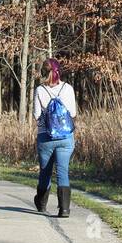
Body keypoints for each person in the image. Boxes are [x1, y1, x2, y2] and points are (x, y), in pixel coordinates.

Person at [33, 57, 77, 218]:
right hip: (65, 137)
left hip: (46, 137)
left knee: (45, 172)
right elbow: (73, 113)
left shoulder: (40, 90)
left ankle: (42, 204)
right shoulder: (68, 88)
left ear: (43, 72)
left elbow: (36, 115)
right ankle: (64, 209)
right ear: (59, 71)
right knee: (62, 172)